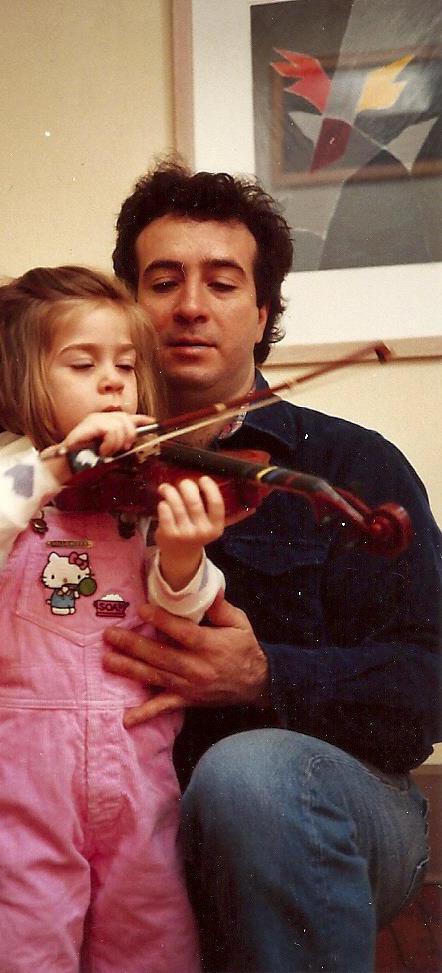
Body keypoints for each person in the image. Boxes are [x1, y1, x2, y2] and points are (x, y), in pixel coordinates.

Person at [99, 160, 442, 972]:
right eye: (162, 281)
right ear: (126, 308)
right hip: (123, 822)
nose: (189, 306)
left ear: (261, 314)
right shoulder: (83, 469)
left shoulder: (354, 467)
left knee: (249, 777)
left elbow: (427, 687)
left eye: (221, 283)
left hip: (322, 807)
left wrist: (264, 675)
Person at [0, 265, 229, 973]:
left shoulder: (140, 479)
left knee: (149, 936)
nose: (115, 381)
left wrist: (184, 555)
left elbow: (178, 607)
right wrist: (59, 463)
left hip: (134, 754)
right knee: (19, 939)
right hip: (20, 758)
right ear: (20, 378)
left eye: (126, 364)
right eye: (83, 363)